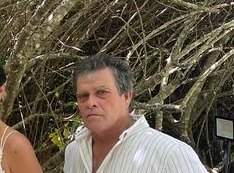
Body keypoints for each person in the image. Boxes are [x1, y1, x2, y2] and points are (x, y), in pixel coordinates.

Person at [64, 53, 206, 172]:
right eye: (83, 96)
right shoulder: (74, 152)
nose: (90, 103)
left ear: (126, 97)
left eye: (101, 93)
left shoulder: (171, 154)